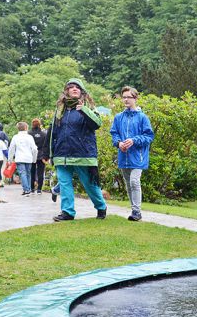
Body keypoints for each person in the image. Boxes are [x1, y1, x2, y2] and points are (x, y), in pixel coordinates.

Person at [49, 78, 107, 221]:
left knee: (89, 184)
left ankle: (101, 206)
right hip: (61, 154)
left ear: (82, 91)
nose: (74, 89)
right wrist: (50, 152)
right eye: (71, 87)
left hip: (83, 154)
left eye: (77, 87)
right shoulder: (60, 109)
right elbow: (53, 133)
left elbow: (97, 124)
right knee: (65, 183)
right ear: (67, 91)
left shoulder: (88, 107)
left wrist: (84, 110)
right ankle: (68, 212)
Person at [110, 87, 154, 222]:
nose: (126, 99)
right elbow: (114, 134)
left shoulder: (142, 117)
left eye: (129, 97)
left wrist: (134, 140)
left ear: (135, 98)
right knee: (128, 184)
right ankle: (134, 210)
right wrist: (119, 143)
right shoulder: (118, 117)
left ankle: (137, 211)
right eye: (124, 97)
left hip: (138, 157)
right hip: (123, 156)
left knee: (135, 181)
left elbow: (149, 137)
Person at [7, 121, 38, 196]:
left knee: (22, 173)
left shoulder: (15, 137)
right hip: (28, 158)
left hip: (19, 158)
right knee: (28, 174)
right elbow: (34, 149)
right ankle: (28, 189)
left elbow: (11, 149)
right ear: (26, 128)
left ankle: (26, 189)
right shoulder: (30, 137)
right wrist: (34, 159)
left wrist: (10, 159)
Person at [29, 118, 49, 194]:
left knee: (32, 172)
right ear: (39, 124)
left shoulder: (29, 134)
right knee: (41, 173)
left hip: (31, 155)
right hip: (41, 155)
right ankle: (39, 189)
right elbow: (46, 145)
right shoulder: (44, 134)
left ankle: (32, 189)